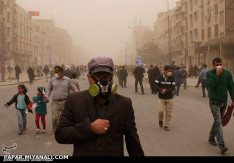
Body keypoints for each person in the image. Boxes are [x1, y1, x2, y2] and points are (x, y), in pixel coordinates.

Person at [55, 56, 144, 156]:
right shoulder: (74, 101)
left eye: (106, 76)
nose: (103, 81)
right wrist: (89, 128)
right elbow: (60, 134)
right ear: (89, 77)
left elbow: (133, 142)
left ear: (112, 77)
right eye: (98, 76)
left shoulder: (124, 103)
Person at [207, 58, 234, 154]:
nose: (219, 66)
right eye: (217, 65)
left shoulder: (227, 74)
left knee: (217, 121)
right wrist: (217, 75)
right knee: (218, 122)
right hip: (214, 102)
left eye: (220, 64)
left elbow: (231, 87)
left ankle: (211, 137)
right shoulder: (210, 74)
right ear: (213, 65)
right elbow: (211, 85)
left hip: (224, 102)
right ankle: (221, 145)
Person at [48, 65, 78, 134]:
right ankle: (54, 127)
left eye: (56, 72)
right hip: (55, 101)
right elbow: (49, 89)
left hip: (65, 101)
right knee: (55, 117)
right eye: (54, 72)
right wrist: (47, 96)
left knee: (65, 117)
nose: (55, 74)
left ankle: (64, 129)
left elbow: (74, 88)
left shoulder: (68, 80)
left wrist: (78, 95)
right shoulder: (52, 79)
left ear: (61, 72)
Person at [155, 65, 175, 131]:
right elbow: (156, 85)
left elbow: (173, 87)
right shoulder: (159, 77)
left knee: (169, 112)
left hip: (170, 97)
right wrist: (161, 90)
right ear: (165, 71)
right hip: (161, 97)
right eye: (169, 71)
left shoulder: (172, 78)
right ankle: (160, 120)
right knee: (160, 111)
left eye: (171, 71)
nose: (170, 72)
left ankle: (166, 125)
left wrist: (166, 90)